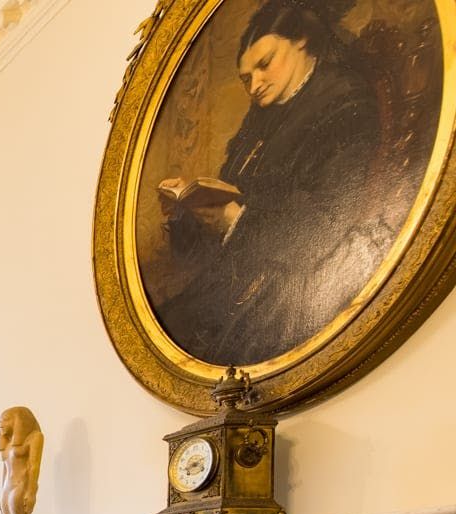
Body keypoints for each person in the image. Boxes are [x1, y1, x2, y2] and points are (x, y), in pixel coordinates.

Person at [156, 0, 391, 367]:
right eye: (246, 78)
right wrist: (184, 210)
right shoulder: (259, 120)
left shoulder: (344, 101)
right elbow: (210, 233)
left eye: (264, 64)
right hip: (233, 279)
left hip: (287, 287)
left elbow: (327, 219)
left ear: (301, 39)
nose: (255, 85)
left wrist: (235, 219)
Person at [0, 407, 44, 514]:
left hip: (21, 485)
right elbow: (5, 469)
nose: (1, 424)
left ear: (18, 421)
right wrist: (1, 493)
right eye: (0, 421)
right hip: (7, 487)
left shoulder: (34, 437)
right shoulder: (8, 444)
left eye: (6, 420)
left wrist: (31, 492)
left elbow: (34, 466)